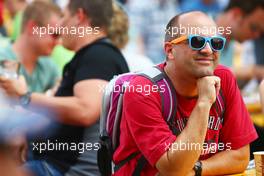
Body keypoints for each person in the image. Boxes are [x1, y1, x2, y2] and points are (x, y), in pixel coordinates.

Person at [113, 11, 258, 175]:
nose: (208, 50)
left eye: (216, 43)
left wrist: (197, 169)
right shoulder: (142, 90)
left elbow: (240, 156)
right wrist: (204, 103)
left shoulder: (224, 77)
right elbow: (174, 170)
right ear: (170, 50)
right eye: (197, 41)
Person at [0, 0, 129, 176]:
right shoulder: (97, 55)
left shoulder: (99, 55)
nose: (60, 26)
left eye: (64, 17)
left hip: (65, 169)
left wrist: (25, 97)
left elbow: (85, 110)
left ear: (79, 17)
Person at [0, 1, 61, 93]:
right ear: (33, 28)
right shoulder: (3, 59)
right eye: (55, 35)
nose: (58, 42)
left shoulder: (47, 65)